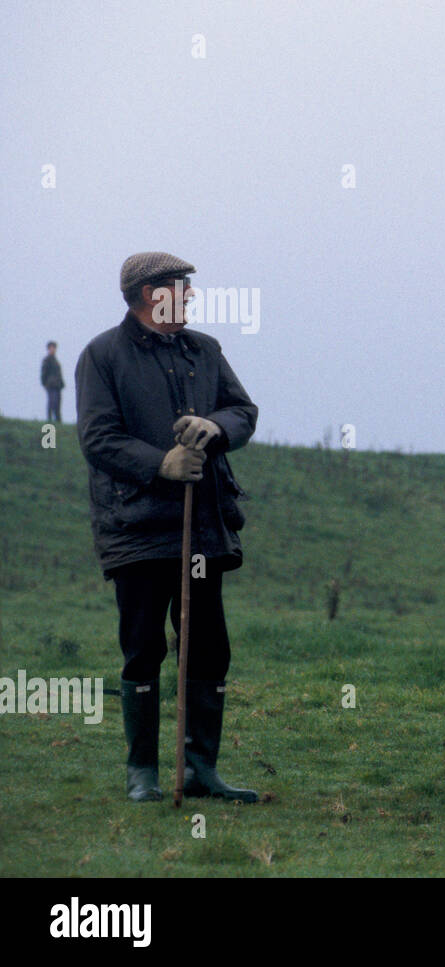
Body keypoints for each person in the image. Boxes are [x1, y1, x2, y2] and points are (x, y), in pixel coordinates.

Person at [76, 251, 260, 803]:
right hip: (136, 528)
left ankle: (199, 770)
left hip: (201, 527)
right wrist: (161, 464)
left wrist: (215, 426)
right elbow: (98, 437)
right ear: (149, 294)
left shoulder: (204, 350)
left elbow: (243, 411)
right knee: (142, 647)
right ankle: (143, 775)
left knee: (207, 647)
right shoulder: (102, 355)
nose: (191, 296)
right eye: (181, 287)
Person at [41, 341, 64, 422]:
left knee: (57, 403)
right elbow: (44, 373)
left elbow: (59, 374)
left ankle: (58, 421)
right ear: (48, 349)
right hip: (50, 385)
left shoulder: (56, 361)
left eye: (54, 348)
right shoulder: (47, 360)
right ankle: (50, 420)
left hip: (57, 385)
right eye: (51, 348)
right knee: (52, 402)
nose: (52, 349)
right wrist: (45, 383)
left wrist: (62, 383)